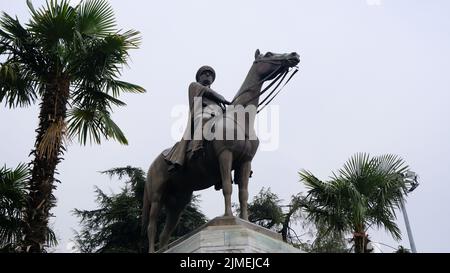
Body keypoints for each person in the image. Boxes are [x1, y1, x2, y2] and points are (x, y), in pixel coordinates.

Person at [163, 65, 231, 172]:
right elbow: (208, 92)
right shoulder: (194, 86)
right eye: (205, 73)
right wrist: (224, 99)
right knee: (204, 118)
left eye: (210, 74)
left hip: (218, 116)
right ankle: (196, 148)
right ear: (199, 77)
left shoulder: (218, 100)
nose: (208, 74)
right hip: (201, 114)